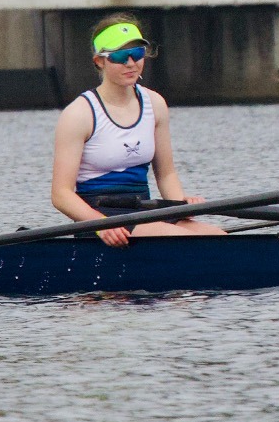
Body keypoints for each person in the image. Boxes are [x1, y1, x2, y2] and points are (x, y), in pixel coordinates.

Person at [51, 15, 221, 248]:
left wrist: (181, 206)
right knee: (185, 241)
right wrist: (100, 224)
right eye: (120, 56)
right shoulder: (78, 114)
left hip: (144, 209)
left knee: (218, 237)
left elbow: (166, 174)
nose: (131, 63)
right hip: (99, 218)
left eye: (137, 53)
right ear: (99, 61)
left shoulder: (155, 104)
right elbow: (61, 194)